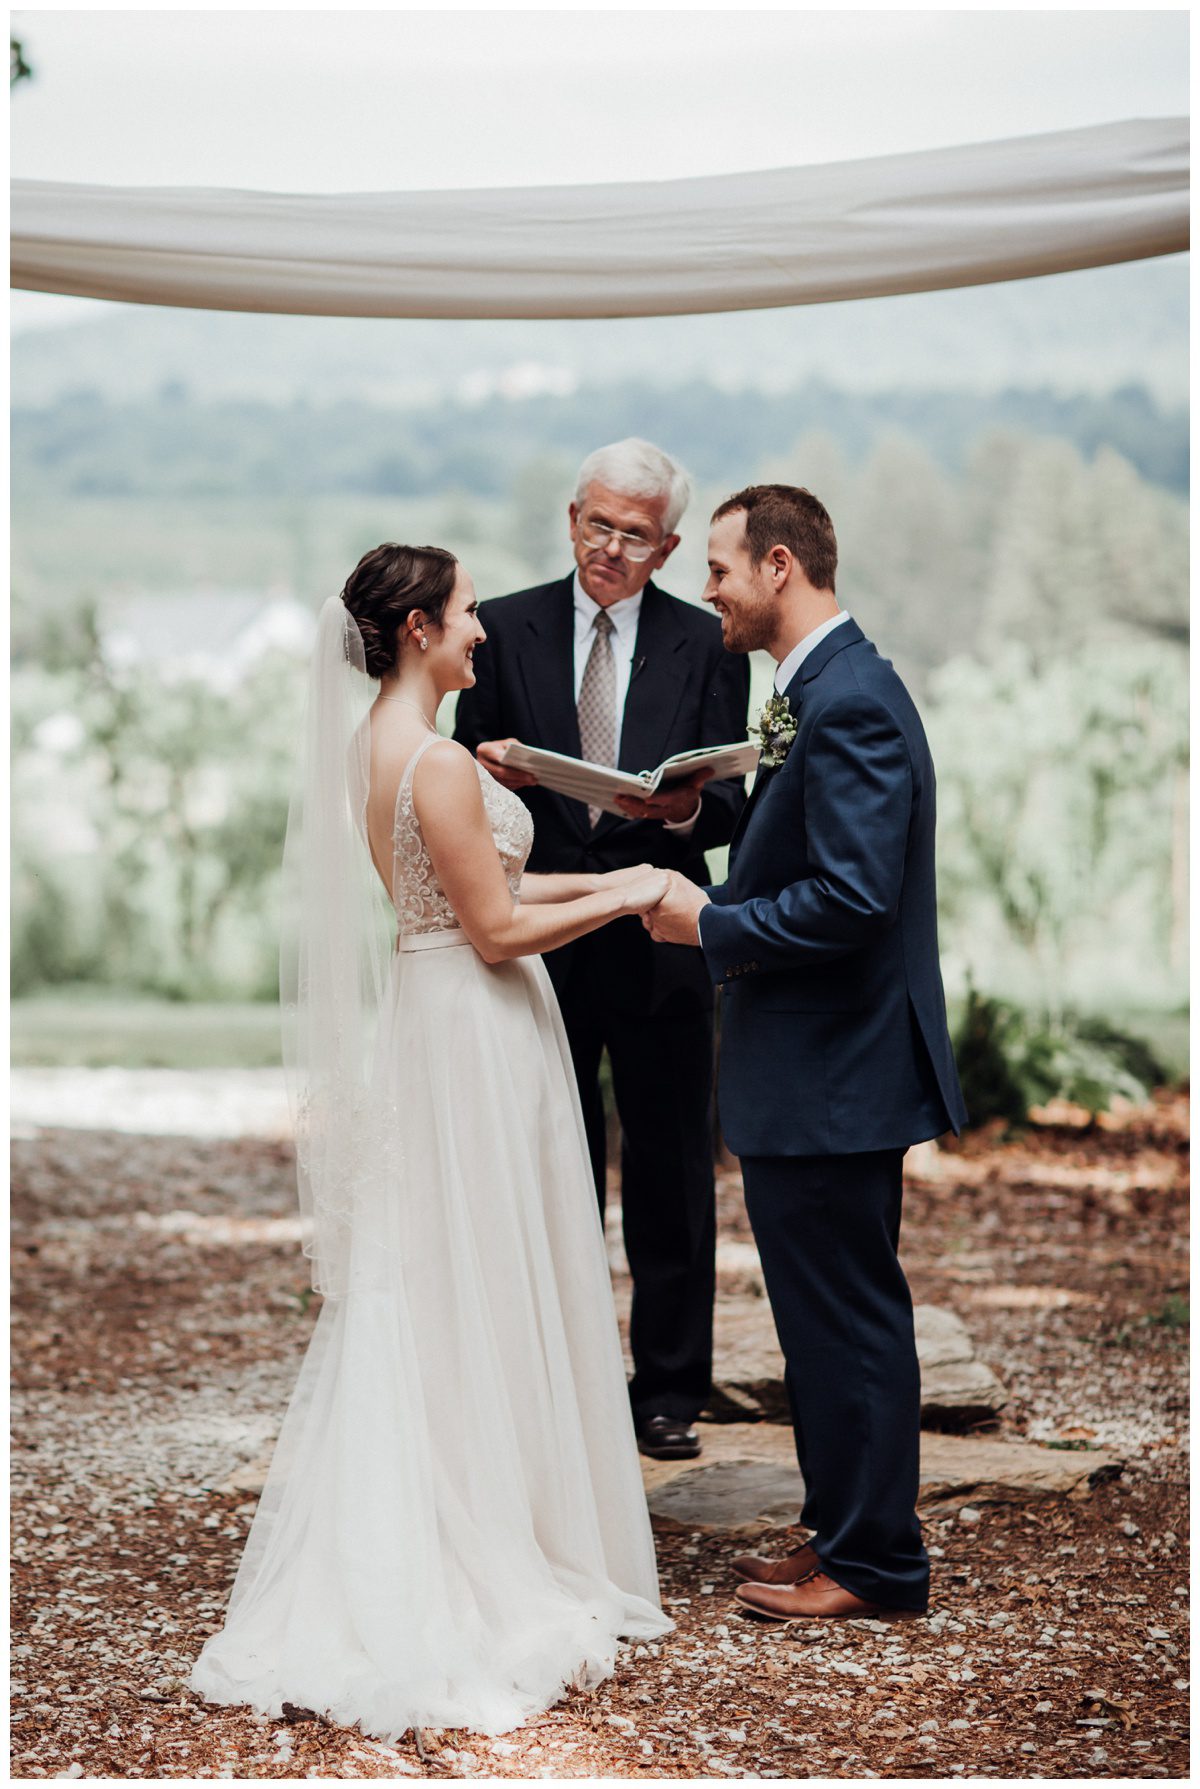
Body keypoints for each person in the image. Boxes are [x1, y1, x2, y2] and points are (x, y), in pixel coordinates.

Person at [191, 544, 673, 1738]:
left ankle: (475, 1505)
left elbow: (474, 906)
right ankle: (487, 1540)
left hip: (436, 1013)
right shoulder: (438, 762)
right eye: (463, 613)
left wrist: (617, 865)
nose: (481, 632)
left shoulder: (382, 749)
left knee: (448, 1272)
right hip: (476, 1030)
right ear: (415, 628)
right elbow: (500, 930)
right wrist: (635, 890)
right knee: (483, 1271)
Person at [646, 484, 967, 1620]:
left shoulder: (852, 701)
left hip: (839, 1070)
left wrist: (711, 924)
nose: (710, 591)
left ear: (780, 566)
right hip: (814, 1070)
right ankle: (844, 1532)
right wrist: (698, 818)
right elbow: (808, 848)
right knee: (821, 1316)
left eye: (722, 568)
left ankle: (876, 1564)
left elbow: (853, 898)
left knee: (850, 1317)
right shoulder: (814, 691)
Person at [454, 440, 750, 1461]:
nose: (612, 548)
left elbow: (733, 808)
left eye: (637, 535)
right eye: (599, 525)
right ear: (570, 515)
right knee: (550, 1166)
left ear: (669, 546)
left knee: (671, 1172)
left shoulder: (710, 643)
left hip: (660, 937)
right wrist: (490, 770)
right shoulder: (501, 628)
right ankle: (561, 1379)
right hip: (537, 938)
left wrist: (683, 812)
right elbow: (453, 788)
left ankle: (669, 1393)